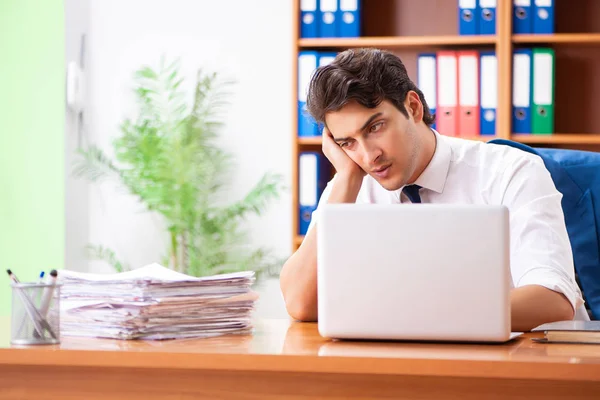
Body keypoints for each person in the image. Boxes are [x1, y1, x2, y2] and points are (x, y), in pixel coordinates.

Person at [279, 48, 587, 332]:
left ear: (412, 107)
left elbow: (553, 303)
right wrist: (344, 181)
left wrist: (407, 312)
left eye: (374, 128)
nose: (368, 156)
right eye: (348, 143)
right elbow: (300, 303)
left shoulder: (511, 171)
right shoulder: (351, 184)